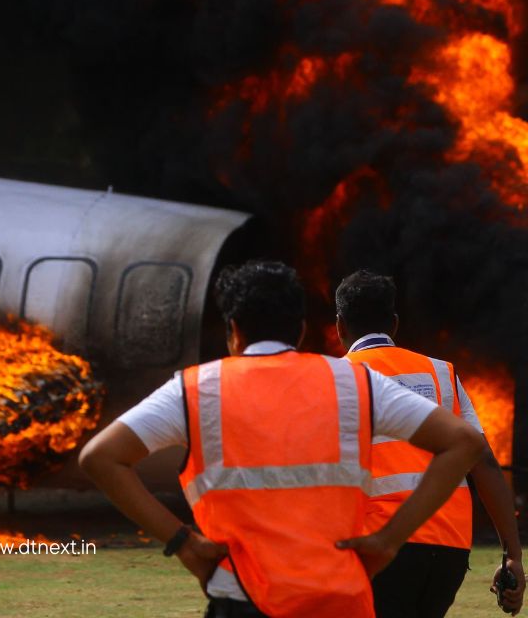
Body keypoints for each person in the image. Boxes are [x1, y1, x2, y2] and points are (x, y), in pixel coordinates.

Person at [80, 260, 484, 618]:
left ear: (233, 332)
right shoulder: (353, 381)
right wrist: (389, 541)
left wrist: (182, 542)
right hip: (339, 598)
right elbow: (463, 442)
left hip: (241, 596)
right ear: (302, 329)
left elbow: (100, 457)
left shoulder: (195, 389)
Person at [336, 270, 525, 618]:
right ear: (394, 323)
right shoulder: (442, 373)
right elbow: (484, 463)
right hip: (449, 550)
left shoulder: (335, 380)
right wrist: (512, 555)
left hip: (381, 545)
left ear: (339, 327)